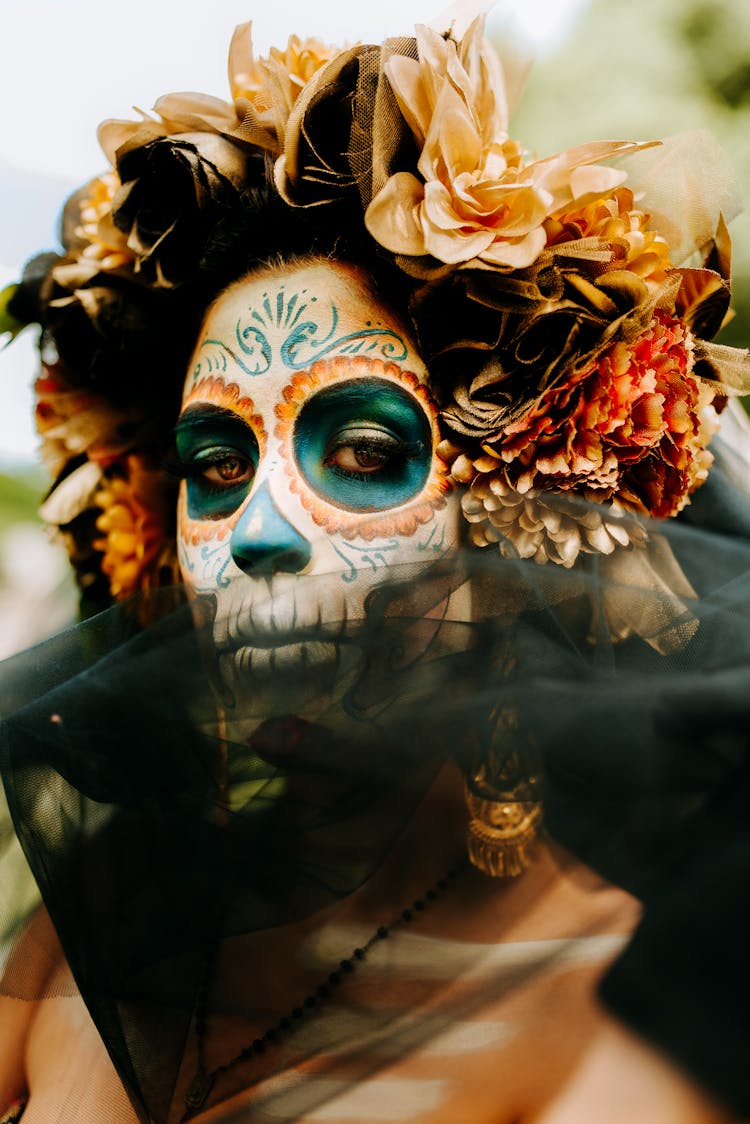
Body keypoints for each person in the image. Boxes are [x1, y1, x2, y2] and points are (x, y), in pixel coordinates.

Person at [1, 5, 750, 1122]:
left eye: (362, 450)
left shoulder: (615, 988)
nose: (257, 527)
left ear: (519, 518)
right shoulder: (102, 911)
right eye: (215, 461)